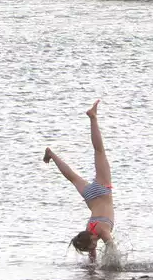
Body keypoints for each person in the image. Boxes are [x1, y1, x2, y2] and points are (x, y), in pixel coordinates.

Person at [43, 100, 115, 263]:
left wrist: (113, 265)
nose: (92, 250)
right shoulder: (87, 231)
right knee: (72, 177)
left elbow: (112, 247)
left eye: (91, 247)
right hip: (92, 197)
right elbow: (93, 251)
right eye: (90, 249)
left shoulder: (101, 232)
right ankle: (51, 155)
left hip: (102, 191)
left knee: (99, 151)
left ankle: (93, 117)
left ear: (90, 240)